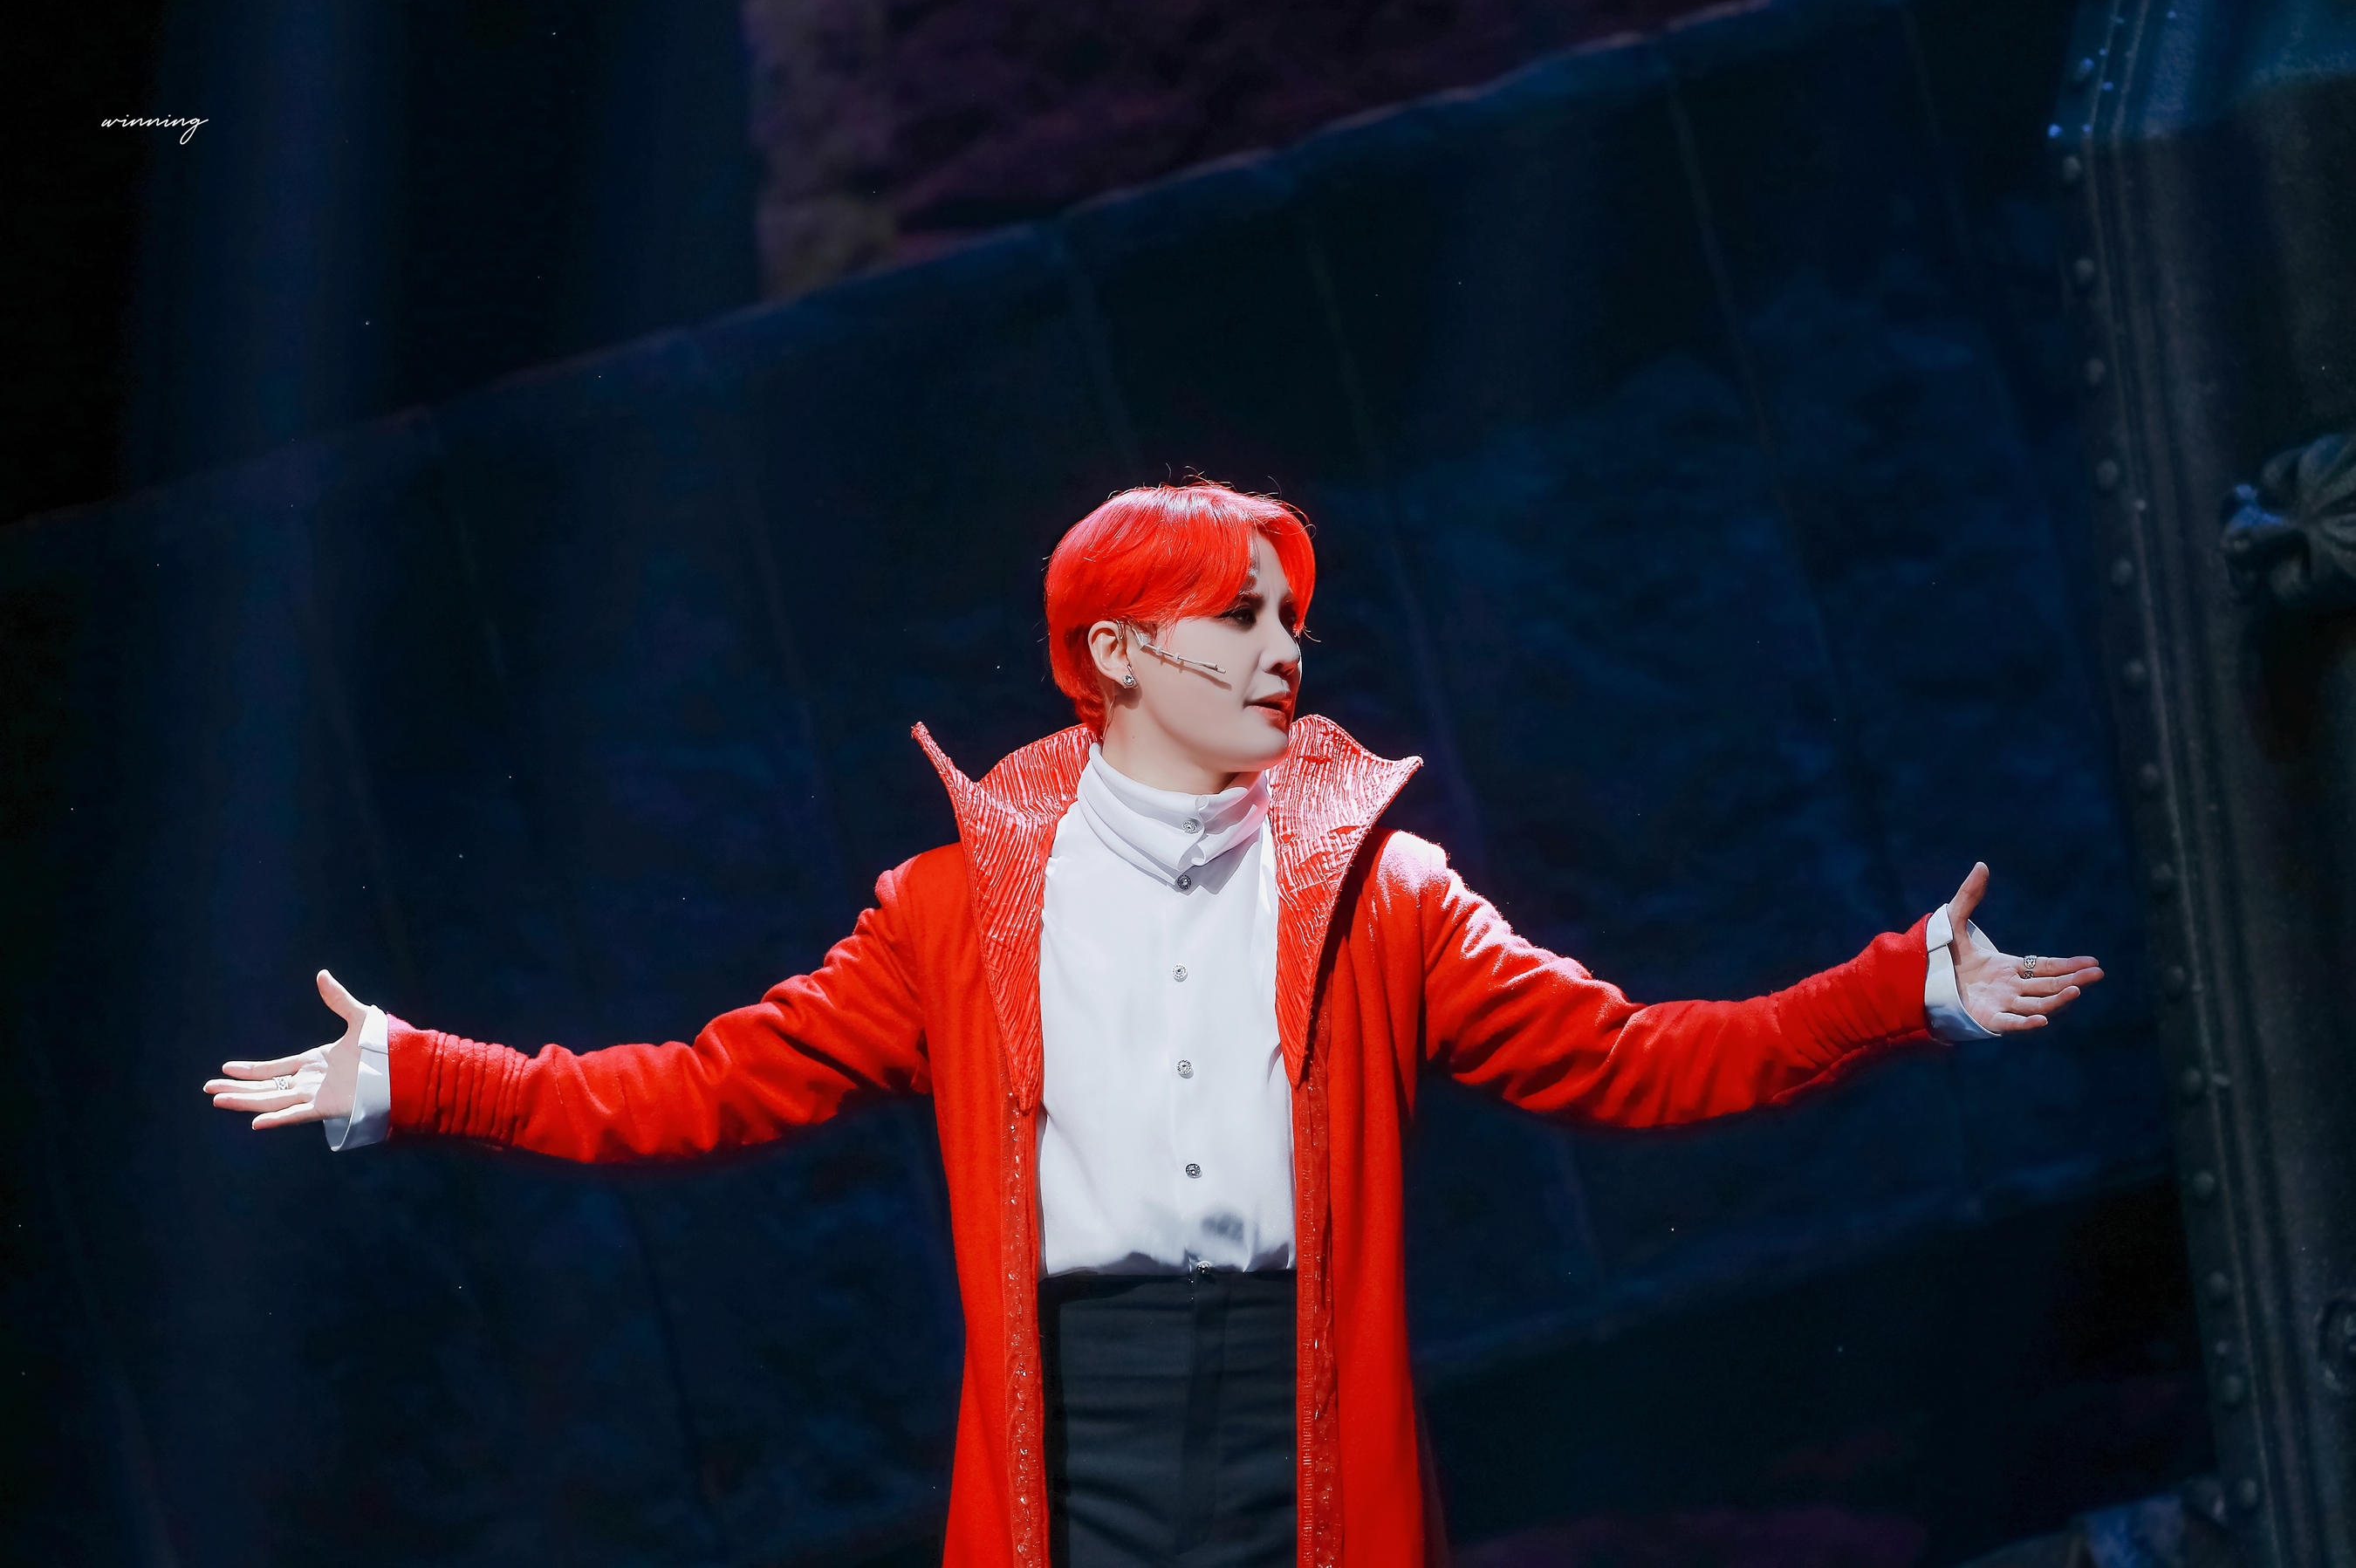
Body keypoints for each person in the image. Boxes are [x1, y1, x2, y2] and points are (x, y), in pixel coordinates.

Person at [206, 481, 2101, 1568]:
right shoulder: (955, 913)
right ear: (1118, 654)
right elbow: (705, 1089)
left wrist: (1896, 992)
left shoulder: (1386, 895)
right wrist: (429, 1074)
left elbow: (1631, 1060)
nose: (1289, 652)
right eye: (1244, 619)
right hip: (1080, 1426)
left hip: (1304, 1417)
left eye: (1294, 619)